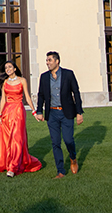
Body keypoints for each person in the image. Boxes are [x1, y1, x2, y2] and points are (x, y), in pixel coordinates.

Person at [34, 51, 83, 179]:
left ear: (57, 61)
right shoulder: (44, 77)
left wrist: (79, 113)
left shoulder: (68, 74)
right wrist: (39, 111)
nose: (47, 63)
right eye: (46, 60)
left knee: (68, 140)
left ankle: (73, 158)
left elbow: (76, 93)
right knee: (55, 143)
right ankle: (60, 171)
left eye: (49, 60)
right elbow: (41, 95)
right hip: (52, 113)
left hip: (66, 113)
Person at [0, 60, 42, 177]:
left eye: (10, 67)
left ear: (15, 68)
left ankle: (13, 167)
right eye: (6, 68)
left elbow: (27, 97)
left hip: (18, 111)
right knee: (6, 139)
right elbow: (3, 99)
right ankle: (7, 163)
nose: (7, 69)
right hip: (7, 113)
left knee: (17, 138)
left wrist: (34, 112)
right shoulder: (5, 82)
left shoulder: (22, 80)